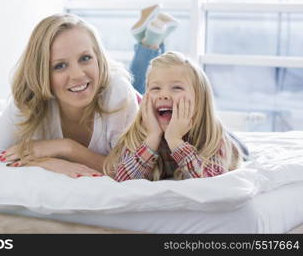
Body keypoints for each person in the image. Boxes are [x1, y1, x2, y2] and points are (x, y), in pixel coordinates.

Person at [0, 13, 139, 178]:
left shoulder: (117, 94)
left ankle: (147, 42)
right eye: (60, 66)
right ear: (41, 73)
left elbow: (131, 171)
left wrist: (67, 148)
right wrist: (43, 163)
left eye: (85, 58)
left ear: (98, 59)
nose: (77, 75)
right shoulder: (29, 99)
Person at [103, 51, 244, 182]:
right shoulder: (138, 134)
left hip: (227, 141)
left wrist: (175, 140)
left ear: (200, 98)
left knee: (241, 148)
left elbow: (211, 182)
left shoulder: (212, 135)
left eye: (176, 88)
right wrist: (152, 138)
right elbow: (121, 180)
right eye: (155, 88)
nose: (163, 94)